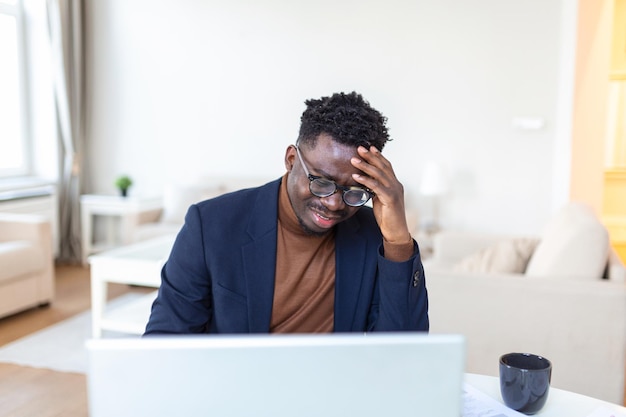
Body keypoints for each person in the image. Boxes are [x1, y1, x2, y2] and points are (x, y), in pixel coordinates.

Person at [144, 91, 429, 334]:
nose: (334, 204)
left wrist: (398, 242)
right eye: (321, 182)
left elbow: (403, 354)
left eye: (354, 192)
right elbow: (166, 340)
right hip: (237, 392)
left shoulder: (374, 237)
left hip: (332, 393)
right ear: (291, 160)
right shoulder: (212, 225)